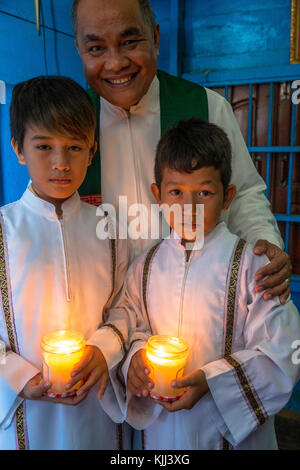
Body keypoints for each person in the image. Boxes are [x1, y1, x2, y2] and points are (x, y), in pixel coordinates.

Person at [71, 0, 292, 305]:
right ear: (80, 50)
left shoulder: (206, 107)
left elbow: (242, 194)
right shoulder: (71, 124)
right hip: (103, 307)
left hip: (195, 301)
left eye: (130, 42)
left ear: (156, 38)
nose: (116, 63)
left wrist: (263, 246)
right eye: (96, 48)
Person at [113, 118, 300, 450]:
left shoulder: (254, 267)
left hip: (232, 436)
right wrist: (135, 362)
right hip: (162, 434)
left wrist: (213, 382)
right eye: (176, 192)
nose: (189, 207)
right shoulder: (145, 266)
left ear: (227, 196)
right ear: (157, 194)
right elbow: (133, 327)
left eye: (204, 192)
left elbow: (284, 354)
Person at [0, 76, 131, 450]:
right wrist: (17, 376)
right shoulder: (3, 230)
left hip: (97, 404)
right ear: (18, 148)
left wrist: (103, 352)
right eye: (44, 146)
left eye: (75, 147)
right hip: (26, 408)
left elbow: (125, 305)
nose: (61, 163)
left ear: (91, 153)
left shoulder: (110, 228)